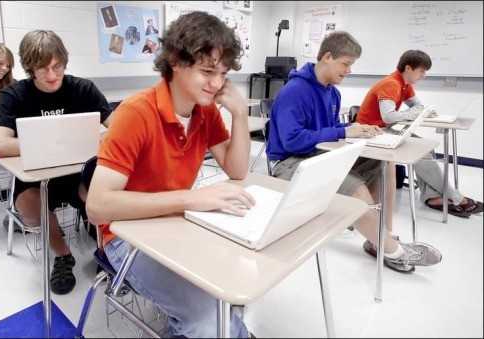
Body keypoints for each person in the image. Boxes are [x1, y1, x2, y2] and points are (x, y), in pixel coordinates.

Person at [86, 12, 252, 338]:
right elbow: (97, 206)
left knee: (234, 287)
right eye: (207, 71)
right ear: (176, 62)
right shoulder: (136, 113)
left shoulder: (204, 111)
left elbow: (237, 170)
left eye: (223, 73)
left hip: (175, 221)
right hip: (125, 237)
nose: (217, 84)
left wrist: (240, 114)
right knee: (208, 319)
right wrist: (191, 198)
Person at [266, 31, 442, 273]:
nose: (349, 70)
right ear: (327, 57)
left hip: (319, 155)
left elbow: (328, 130)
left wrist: (351, 128)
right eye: (346, 64)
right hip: (290, 163)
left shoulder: (332, 92)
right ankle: (393, 250)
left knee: (383, 164)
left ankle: (381, 238)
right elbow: (293, 142)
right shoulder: (294, 91)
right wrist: (344, 133)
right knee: (355, 187)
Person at [0, 30, 113, 295]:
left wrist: (90, 141)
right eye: (43, 69)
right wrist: (53, 143)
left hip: (78, 173)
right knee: (29, 204)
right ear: (29, 68)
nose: (52, 75)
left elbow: (116, 131)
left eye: (57, 66)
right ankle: (63, 255)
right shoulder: (14, 95)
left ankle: (106, 248)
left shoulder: (82, 88)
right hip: (36, 174)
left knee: (102, 190)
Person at [357, 50, 483, 217]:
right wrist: (414, 112)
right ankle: (455, 196)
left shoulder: (405, 85)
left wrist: (425, 111)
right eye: (422, 71)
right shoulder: (391, 83)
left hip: (384, 130)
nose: (423, 75)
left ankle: (432, 197)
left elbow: (418, 107)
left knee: (426, 150)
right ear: (408, 68)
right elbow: (388, 117)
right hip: (371, 131)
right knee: (420, 153)